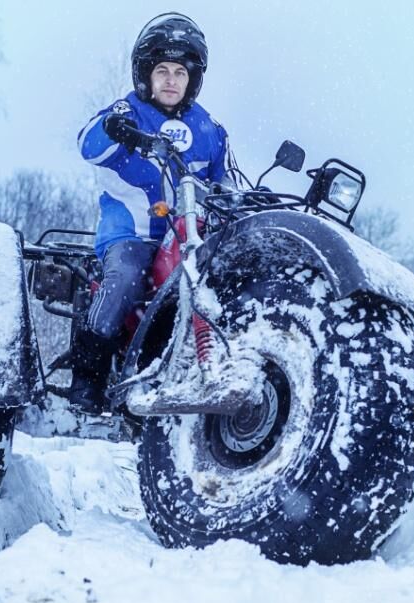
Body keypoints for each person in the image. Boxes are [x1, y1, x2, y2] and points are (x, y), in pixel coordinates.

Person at [72, 12, 236, 414]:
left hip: (188, 238)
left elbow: (226, 183)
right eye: (161, 70)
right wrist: (117, 130)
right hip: (131, 235)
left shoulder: (210, 129)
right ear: (145, 73)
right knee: (126, 279)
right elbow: (88, 145)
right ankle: (86, 384)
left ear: (192, 79)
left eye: (179, 72)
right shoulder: (127, 112)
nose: (169, 80)